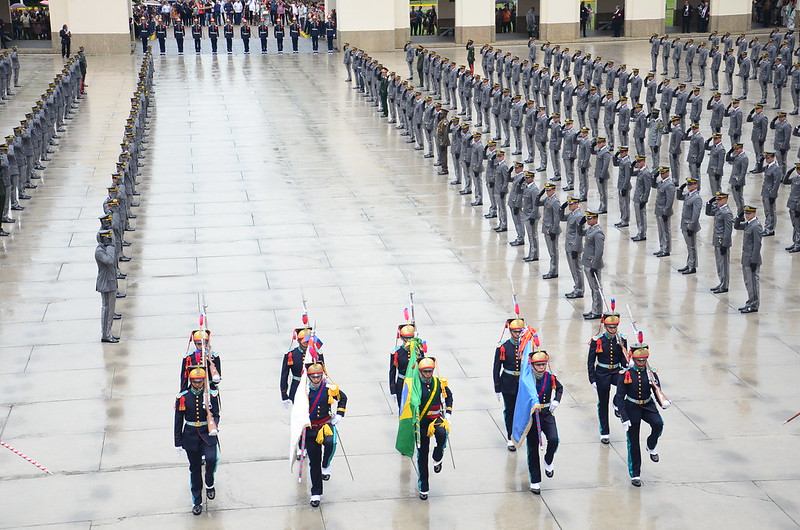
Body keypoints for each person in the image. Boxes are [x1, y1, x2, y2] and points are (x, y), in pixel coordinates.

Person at [614, 341, 665, 487]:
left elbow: (657, 391)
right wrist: (624, 416)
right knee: (633, 442)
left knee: (658, 424)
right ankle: (635, 474)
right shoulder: (626, 374)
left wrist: (663, 402)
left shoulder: (651, 373)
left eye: (644, 360)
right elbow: (619, 397)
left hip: (647, 405)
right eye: (639, 360)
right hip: (632, 407)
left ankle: (651, 445)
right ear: (634, 359)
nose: (642, 363)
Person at [174, 368, 220, 515]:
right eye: (195, 382)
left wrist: (214, 424)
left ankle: (209, 482)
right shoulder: (183, 397)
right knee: (194, 470)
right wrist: (177, 442)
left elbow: (216, 414)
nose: (198, 384)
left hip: (207, 434)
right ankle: (197, 501)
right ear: (191, 381)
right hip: (191, 436)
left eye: (200, 382)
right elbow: (178, 421)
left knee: (212, 459)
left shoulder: (211, 395)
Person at [302, 362, 347, 507]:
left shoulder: (329, 388)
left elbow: (343, 398)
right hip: (311, 429)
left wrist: (339, 414)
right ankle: (316, 492)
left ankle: (326, 464)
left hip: (325, 425)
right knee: (314, 463)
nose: (316, 379)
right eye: (313, 377)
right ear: (309, 377)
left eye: (318, 376)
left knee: (331, 443)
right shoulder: (303, 391)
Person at [415, 357, 453, 500]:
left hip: (436, 418)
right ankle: (423, 487)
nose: (428, 374)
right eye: (425, 372)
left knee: (443, 434)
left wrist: (448, 413)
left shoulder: (439, 383)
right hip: (421, 422)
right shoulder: (415, 385)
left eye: (430, 371)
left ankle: (438, 457)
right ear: (420, 372)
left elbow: (449, 396)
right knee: (422, 455)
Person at [526, 350, 562, 495]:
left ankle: (548, 459)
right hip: (532, 417)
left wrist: (556, 400)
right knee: (532, 449)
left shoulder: (550, 377)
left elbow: (559, 388)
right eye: (538, 365)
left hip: (546, 414)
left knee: (554, 439)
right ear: (532, 365)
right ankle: (535, 480)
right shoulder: (527, 379)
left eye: (543, 364)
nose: (541, 367)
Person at [588, 311, 627, 443]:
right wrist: (592, 379)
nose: (613, 330)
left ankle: (616, 404)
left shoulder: (621, 339)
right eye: (610, 327)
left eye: (615, 327)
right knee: (603, 403)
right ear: (605, 326)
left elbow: (623, 359)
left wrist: (628, 363)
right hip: (602, 373)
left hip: (616, 370)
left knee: (627, 386)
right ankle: (604, 432)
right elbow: (590, 361)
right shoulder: (598, 340)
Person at [493, 318, 525, 450]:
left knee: (522, 410)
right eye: (515, 331)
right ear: (510, 331)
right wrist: (497, 387)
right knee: (510, 410)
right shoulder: (503, 347)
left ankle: (520, 432)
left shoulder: (526, 346)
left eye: (520, 331)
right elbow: (496, 368)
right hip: (508, 383)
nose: (517, 334)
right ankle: (510, 436)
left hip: (522, 384)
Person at [280, 328, 325, 404]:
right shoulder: (291, 354)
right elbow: (284, 375)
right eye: (304, 341)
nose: (306, 343)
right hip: (297, 386)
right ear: (298, 341)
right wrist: (284, 394)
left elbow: (322, 373)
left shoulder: (317, 354)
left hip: (314, 386)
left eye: (308, 341)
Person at [705, 191, 735, 292]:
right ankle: (721, 282)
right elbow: (708, 212)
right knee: (719, 264)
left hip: (722, 241)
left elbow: (728, 230)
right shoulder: (719, 209)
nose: (718, 201)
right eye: (717, 199)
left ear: (725, 200)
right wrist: (709, 203)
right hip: (717, 240)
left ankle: (724, 285)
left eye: (720, 199)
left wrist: (725, 244)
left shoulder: (727, 212)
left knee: (724, 265)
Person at [389, 324, 424, 410]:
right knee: (403, 408)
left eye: (410, 338)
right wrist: (393, 388)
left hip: (415, 381)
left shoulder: (418, 351)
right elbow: (392, 371)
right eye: (406, 338)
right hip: (402, 382)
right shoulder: (397, 352)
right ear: (401, 338)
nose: (408, 340)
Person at [95, 230, 118, 343]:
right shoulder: (99, 251)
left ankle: (108, 332)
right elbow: (109, 260)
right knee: (107, 310)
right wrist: (111, 246)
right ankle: (105, 335)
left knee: (110, 310)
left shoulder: (105, 249)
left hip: (110, 282)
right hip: (106, 284)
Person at [582, 209, 605, 319]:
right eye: (587, 218)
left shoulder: (598, 233)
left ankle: (597, 311)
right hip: (588, 262)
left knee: (596, 288)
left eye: (590, 218)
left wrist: (595, 266)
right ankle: (594, 309)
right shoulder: (591, 229)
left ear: (596, 219)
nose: (588, 220)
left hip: (592, 264)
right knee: (593, 288)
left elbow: (599, 251)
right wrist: (580, 224)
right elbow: (580, 233)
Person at [677, 177, 702, 274]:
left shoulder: (696, 198)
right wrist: (680, 189)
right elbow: (679, 197)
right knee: (689, 246)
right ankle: (689, 264)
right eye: (688, 184)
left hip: (689, 226)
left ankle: (692, 266)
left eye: (690, 184)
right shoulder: (689, 194)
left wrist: (691, 227)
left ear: (696, 185)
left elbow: (696, 214)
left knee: (692, 247)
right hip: (685, 224)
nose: (688, 186)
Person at [561, 196, 585, 298]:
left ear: (576, 204)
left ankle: (579, 290)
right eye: (569, 204)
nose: (569, 206)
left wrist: (576, 248)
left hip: (574, 247)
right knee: (573, 269)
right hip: (569, 245)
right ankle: (577, 287)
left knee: (577, 269)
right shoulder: (572, 213)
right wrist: (562, 208)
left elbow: (579, 234)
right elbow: (562, 218)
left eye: (571, 204)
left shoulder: (579, 216)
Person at [654, 167, 676, 257]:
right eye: (660, 173)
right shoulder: (661, 182)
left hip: (664, 211)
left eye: (663, 173)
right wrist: (654, 177)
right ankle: (662, 247)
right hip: (658, 210)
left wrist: (666, 212)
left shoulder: (669, 185)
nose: (661, 175)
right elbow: (654, 185)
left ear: (667, 173)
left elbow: (670, 201)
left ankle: (666, 249)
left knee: (666, 231)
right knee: (661, 230)